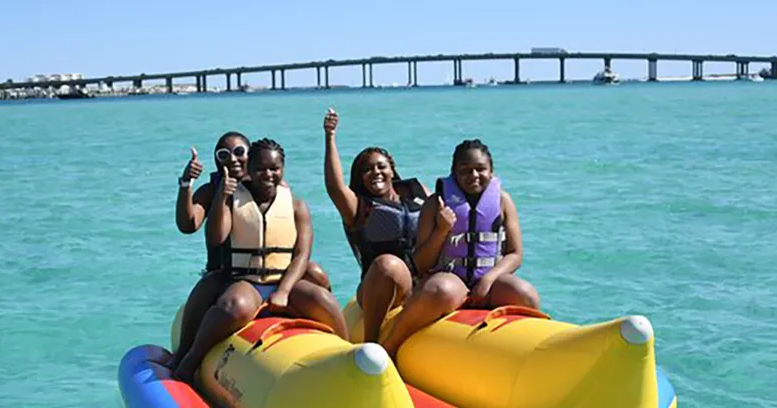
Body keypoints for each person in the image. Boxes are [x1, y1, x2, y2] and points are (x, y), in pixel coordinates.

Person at [173, 138, 349, 383]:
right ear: (251, 169)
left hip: (282, 279)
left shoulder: (294, 204)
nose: (267, 174)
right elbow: (213, 235)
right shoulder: (226, 196)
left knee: (324, 299)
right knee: (233, 307)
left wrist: (285, 291)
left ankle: (351, 355)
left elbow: (301, 254)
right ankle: (189, 360)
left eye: (274, 169)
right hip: (242, 278)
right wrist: (212, 193)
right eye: (224, 154)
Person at [379, 139, 541, 358]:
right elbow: (421, 263)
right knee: (439, 290)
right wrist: (442, 229)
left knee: (525, 294)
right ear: (453, 173)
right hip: (450, 279)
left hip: (490, 279)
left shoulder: (503, 201)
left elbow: (515, 254)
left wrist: (488, 279)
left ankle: (533, 353)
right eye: (465, 170)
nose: (473, 175)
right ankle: (390, 347)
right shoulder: (435, 204)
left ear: (491, 171)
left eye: (480, 169)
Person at [323, 108, 429, 342]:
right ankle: (372, 343)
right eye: (367, 170)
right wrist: (330, 137)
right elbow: (335, 187)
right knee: (387, 265)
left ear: (392, 169)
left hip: (420, 282)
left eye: (381, 166)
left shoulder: (417, 193)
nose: (375, 172)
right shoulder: (359, 207)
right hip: (379, 283)